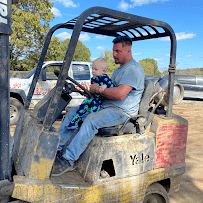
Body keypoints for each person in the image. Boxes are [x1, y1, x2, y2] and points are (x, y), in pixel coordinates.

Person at [51, 35, 145, 176]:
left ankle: (69, 159)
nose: (114, 54)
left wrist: (97, 89)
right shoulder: (119, 69)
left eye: (117, 51)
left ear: (128, 50)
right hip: (107, 107)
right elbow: (107, 88)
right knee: (73, 112)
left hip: (121, 112)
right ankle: (56, 149)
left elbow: (119, 94)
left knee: (92, 119)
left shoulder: (133, 69)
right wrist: (94, 91)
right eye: (114, 51)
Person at [66, 58, 115, 129]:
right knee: (82, 106)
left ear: (104, 71)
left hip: (98, 100)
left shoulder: (104, 77)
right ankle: (74, 123)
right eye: (92, 69)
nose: (93, 71)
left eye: (96, 69)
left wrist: (105, 86)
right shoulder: (93, 78)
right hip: (91, 98)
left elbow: (112, 86)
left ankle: (88, 126)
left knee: (92, 113)